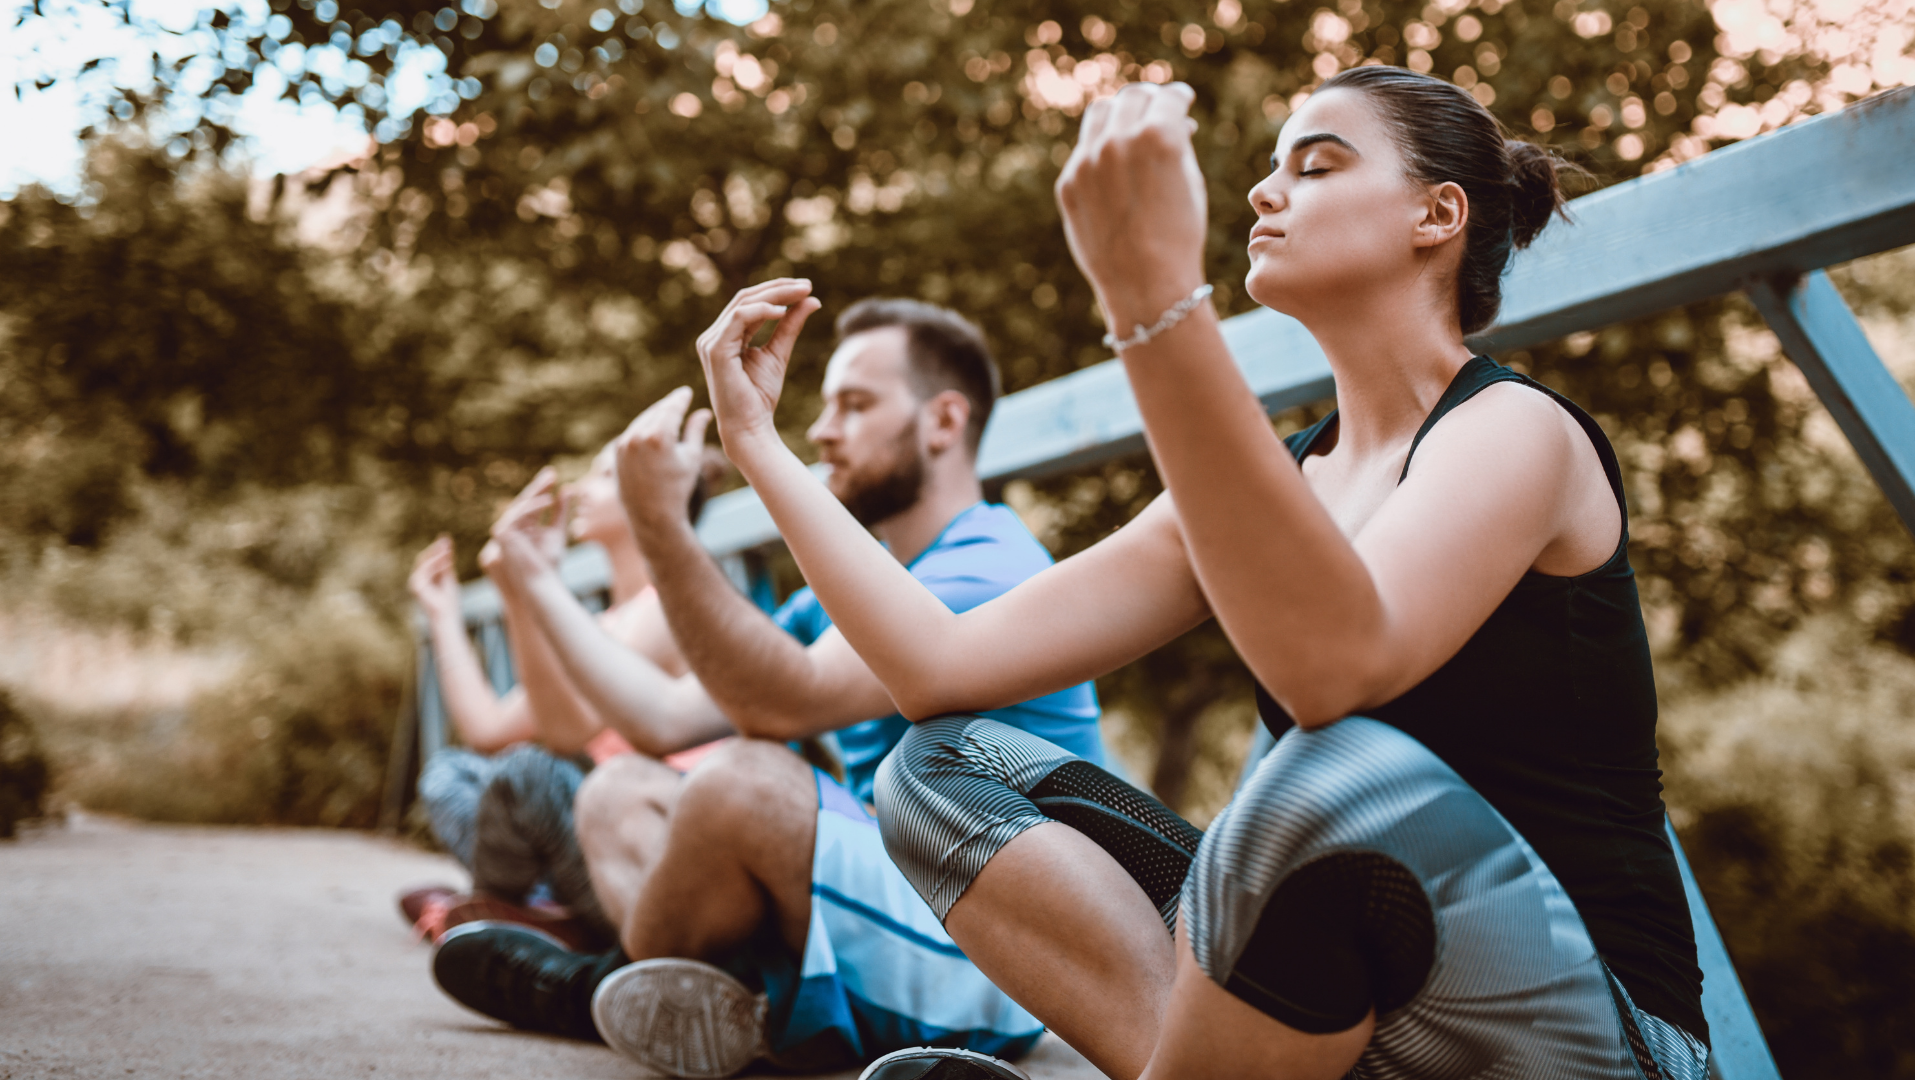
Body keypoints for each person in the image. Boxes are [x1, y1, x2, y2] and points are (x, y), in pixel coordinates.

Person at [691, 69, 1708, 1080]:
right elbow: (935, 668)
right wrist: (759, 446)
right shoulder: (1275, 480)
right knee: (936, 765)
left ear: (1437, 216)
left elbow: (1334, 673)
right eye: (1271, 169)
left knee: (1330, 779)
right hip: (1370, 1027)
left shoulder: (1517, 433)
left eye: (1314, 166)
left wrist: (1152, 300)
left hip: (1602, 1041)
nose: (1265, 192)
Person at [431, 299, 1106, 1078]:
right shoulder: (845, 588)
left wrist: (664, 527)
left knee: (740, 784)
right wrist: (537, 580)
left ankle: (593, 989)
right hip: (891, 906)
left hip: (998, 958)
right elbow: (662, 718)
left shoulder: (989, 564)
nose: (822, 431)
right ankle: (736, 1013)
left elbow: (783, 703)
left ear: (944, 422)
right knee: (615, 790)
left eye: (854, 405)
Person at [404, 445, 706, 947]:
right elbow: (487, 729)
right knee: (450, 773)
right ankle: (532, 913)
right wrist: (444, 614)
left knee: (529, 772)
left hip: (646, 848)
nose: (579, 490)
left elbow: (570, 728)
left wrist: (527, 592)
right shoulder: (602, 624)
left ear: (656, 498)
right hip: (583, 833)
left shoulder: (667, 607)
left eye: (604, 477)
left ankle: (504, 916)